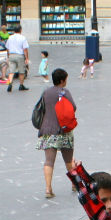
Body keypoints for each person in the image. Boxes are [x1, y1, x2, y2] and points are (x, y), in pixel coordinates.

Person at [38, 68, 76, 199]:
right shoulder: (64, 92)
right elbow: (73, 107)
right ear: (62, 80)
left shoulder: (46, 92)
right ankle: (74, 183)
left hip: (48, 130)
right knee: (68, 160)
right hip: (63, 130)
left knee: (49, 161)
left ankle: (48, 188)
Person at [5, 24, 30, 92]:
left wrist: (8, 56)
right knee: (21, 71)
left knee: (11, 71)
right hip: (20, 56)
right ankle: (21, 85)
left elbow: (7, 48)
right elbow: (25, 49)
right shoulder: (23, 38)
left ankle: (10, 83)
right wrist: (27, 58)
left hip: (11, 55)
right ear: (20, 30)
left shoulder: (10, 37)